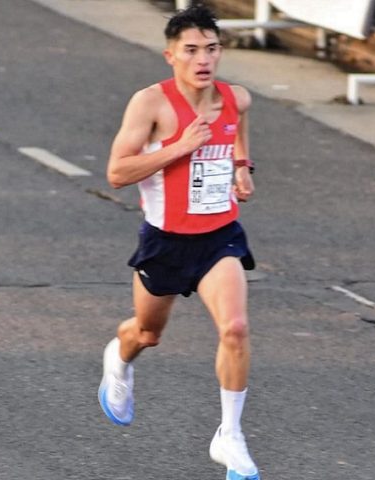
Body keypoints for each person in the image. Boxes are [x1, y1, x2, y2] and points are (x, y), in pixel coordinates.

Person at [98, 4, 259, 479]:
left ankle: (229, 437)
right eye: (190, 50)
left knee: (235, 328)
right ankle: (119, 357)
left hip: (218, 237)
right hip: (165, 241)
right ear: (171, 55)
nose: (202, 59)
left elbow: (238, 132)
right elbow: (116, 173)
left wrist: (241, 168)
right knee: (147, 334)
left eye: (211, 49)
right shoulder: (150, 104)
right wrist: (181, 147)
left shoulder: (237, 98)